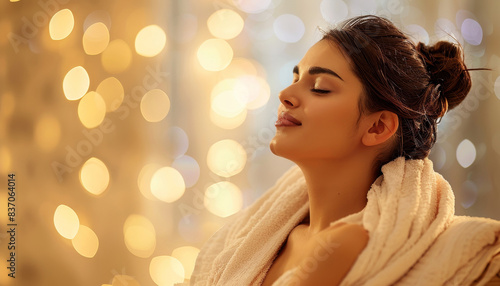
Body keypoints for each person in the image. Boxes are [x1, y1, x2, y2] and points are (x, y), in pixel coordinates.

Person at [191, 15, 500, 285]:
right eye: (295, 78)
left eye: (320, 87)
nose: (285, 94)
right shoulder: (251, 236)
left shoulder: (346, 244)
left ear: (377, 127)